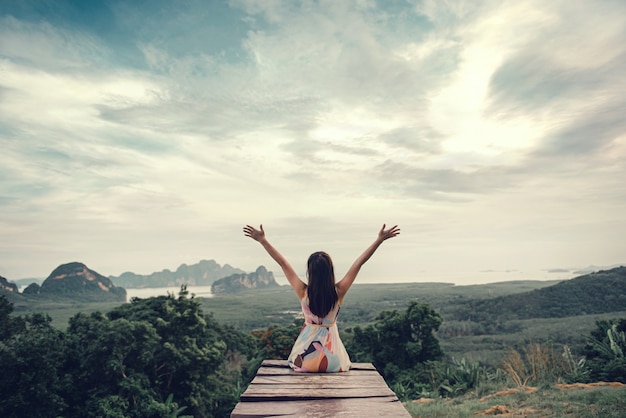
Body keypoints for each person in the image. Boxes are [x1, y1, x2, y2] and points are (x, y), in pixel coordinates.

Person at [243, 223, 400, 372]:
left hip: (304, 362)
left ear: (310, 272)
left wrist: (263, 241)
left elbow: (282, 263)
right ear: (330, 271)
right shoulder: (339, 292)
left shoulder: (303, 292)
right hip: (334, 362)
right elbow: (359, 263)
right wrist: (379, 240)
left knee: (297, 360)